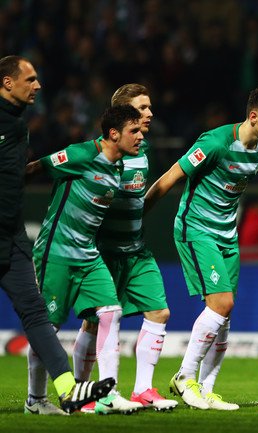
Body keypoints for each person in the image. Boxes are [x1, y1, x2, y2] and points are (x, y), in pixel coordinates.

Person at [144, 87, 258, 411]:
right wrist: (137, 217)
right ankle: (184, 377)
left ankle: (207, 390)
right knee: (222, 303)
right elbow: (171, 177)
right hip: (197, 230)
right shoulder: (215, 142)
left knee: (224, 314)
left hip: (227, 236)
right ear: (254, 116)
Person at [0, 54, 114, 415]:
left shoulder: (19, 124)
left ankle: (67, 389)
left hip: (12, 238)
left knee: (37, 315)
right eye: (30, 79)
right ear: (7, 83)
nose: (38, 85)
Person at [26, 104, 145, 415]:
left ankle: (108, 393)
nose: (141, 136)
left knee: (111, 311)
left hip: (89, 255)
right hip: (57, 253)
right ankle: (35, 400)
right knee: (48, 327)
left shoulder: (119, 165)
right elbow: (36, 168)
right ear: (114, 134)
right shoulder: (80, 155)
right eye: (134, 131)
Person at [71, 84, 177, 412]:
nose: (150, 113)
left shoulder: (143, 151)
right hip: (103, 252)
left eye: (149, 107)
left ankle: (143, 389)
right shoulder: (99, 154)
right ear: (122, 115)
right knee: (95, 322)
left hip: (136, 250)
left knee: (159, 312)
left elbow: (139, 197)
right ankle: (82, 391)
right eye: (142, 108)